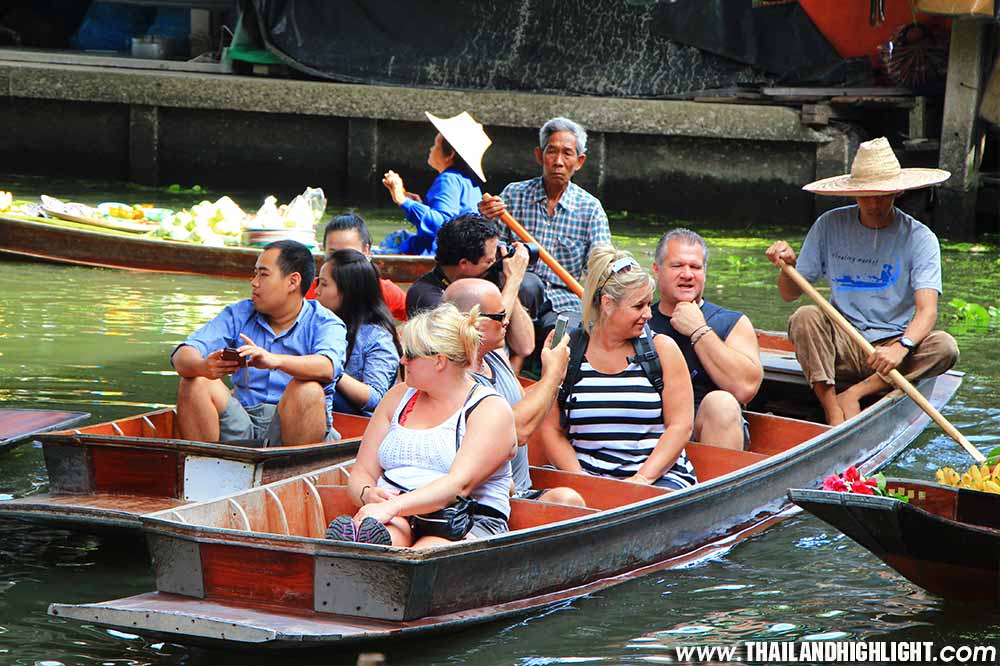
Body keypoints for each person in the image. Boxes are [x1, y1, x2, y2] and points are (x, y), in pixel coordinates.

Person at [765, 137, 959, 426]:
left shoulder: (920, 238)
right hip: (843, 338)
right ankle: (832, 410)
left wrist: (901, 346)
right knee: (804, 316)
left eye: (882, 195)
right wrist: (787, 268)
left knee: (945, 347)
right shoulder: (829, 225)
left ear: (898, 191)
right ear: (853, 193)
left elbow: (927, 310)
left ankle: (855, 393)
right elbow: (789, 294)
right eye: (866, 195)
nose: (874, 203)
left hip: (893, 344)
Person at [327, 303, 516, 547]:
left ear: (439, 361)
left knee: (420, 557)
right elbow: (362, 471)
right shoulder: (397, 397)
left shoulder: (489, 409)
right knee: (378, 543)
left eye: (411, 354)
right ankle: (361, 546)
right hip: (399, 512)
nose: (402, 360)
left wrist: (393, 506)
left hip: (463, 518)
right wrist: (366, 493)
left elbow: (459, 485)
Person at [538, 245, 697, 490]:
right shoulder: (567, 351)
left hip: (656, 477)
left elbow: (680, 426)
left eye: (648, 304)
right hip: (584, 475)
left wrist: (640, 481)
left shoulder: (663, 349)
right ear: (608, 303)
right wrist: (582, 480)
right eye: (638, 306)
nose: (648, 314)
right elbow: (551, 430)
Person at [171, 240, 347, 446]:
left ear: (293, 282)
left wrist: (274, 360)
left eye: (263, 274)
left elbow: (327, 367)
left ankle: (291, 473)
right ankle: (204, 468)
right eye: (255, 274)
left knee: (307, 390)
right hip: (241, 421)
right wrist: (203, 366)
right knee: (194, 380)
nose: (254, 282)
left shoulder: (325, 322)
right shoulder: (239, 313)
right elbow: (182, 354)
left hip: (296, 427)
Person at [443, 278, 585, 506]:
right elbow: (513, 432)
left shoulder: (495, 355)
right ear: (472, 322)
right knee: (566, 499)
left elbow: (523, 404)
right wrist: (552, 376)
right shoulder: (455, 375)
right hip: (483, 497)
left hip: (520, 490)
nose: (506, 321)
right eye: (499, 318)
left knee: (569, 499)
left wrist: (553, 372)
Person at [478, 116, 611, 334]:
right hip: (520, 297)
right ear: (540, 156)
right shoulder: (514, 195)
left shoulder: (590, 209)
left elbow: (601, 268)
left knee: (563, 334)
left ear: (579, 161)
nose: (558, 161)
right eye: (552, 151)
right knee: (528, 284)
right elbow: (489, 249)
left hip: (566, 301)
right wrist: (486, 218)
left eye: (567, 153)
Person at [649, 229, 763, 450]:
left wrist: (699, 330)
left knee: (722, 403)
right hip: (649, 430)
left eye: (695, 267)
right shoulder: (640, 320)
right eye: (677, 266)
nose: (687, 274)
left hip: (708, 432)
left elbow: (746, 388)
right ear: (656, 269)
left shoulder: (732, 322)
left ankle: (720, 484)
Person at [406, 214, 534, 359]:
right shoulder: (427, 295)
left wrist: (507, 281)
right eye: (489, 261)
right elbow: (473, 346)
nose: (495, 264)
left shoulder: (485, 280)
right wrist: (513, 280)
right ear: (464, 263)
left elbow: (525, 346)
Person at [381, 111, 490, 256]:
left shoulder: (448, 179)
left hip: (443, 253)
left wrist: (403, 200)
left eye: (435, 145)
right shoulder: (468, 181)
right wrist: (420, 205)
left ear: (450, 154)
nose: (431, 149)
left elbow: (442, 225)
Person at [314, 249, 401, 417]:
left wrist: (330, 369)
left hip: (358, 425)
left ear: (348, 291)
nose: (316, 291)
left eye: (324, 284)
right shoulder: (317, 322)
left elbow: (376, 398)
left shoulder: (377, 338)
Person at [305, 213, 407, 321]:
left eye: (348, 253)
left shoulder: (384, 291)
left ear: (366, 251)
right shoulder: (308, 292)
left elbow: (421, 318)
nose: (340, 260)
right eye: (333, 254)